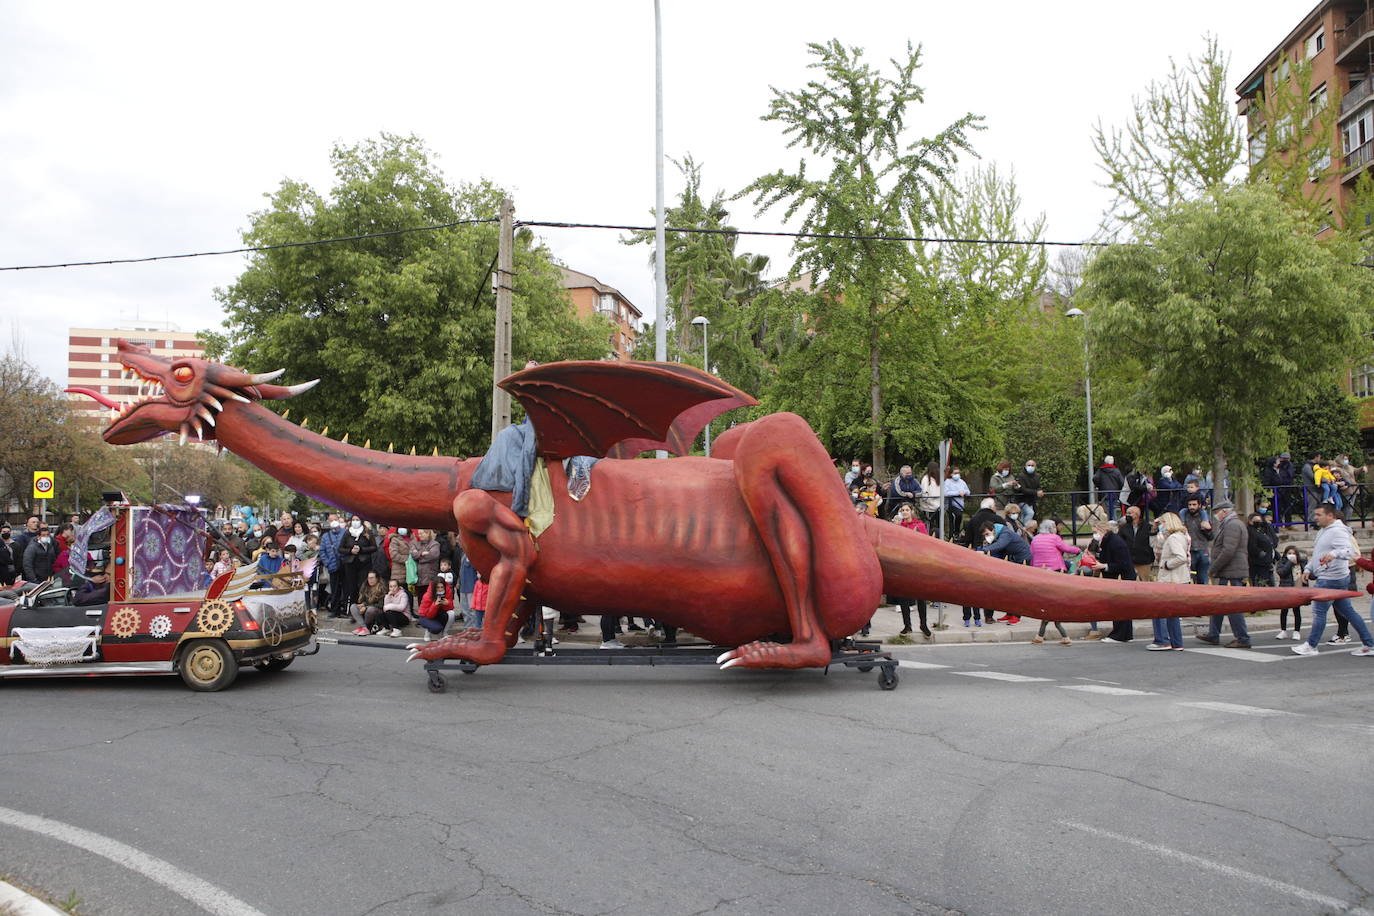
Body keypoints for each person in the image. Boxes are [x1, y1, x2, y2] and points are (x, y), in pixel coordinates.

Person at [1293, 503, 1374, 657]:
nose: (1315, 517)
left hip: (1331, 578)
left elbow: (1348, 551)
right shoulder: (1324, 531)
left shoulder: (1338, 531)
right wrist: (1309, 568)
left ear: (1330, 516)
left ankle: (1311, 645)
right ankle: (1369, 644)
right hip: (1331, 577)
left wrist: (1335, 554)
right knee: (1348, 612)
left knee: (1319, 612)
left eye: (1318, 515)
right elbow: (1319, 553)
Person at [1195, 501, 1252, 648]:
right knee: (1218, 603)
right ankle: (1213, 634)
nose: (1216, 515)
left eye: (1217, 512)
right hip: (1228, 571)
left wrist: (1213, 568)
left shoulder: (1232, 525)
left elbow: (1228, 550)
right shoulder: (1230, 524)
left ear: (1225, 512)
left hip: (1231, 571)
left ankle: (1242, 638)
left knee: (1233, 606)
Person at [887, 504, 931, 637]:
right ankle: (907, 626)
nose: (905, 512)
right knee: (903, 598)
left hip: (917, 564)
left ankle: (924, 625)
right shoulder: (899, 526)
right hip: (903, 564)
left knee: (921, 597)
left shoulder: (919, 525)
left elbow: (926, 543)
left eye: (907, 510)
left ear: (912, 512)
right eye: (902, 510)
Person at [1147, 512, 1189, 651]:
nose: (1161, 526)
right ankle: (1177, 642)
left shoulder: (1173, 538)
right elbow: (1154, 544)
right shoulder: (1178, 536)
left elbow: (1181, 557)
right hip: (1177, 579)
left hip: (1171, 579)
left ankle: (1162, 640)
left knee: (1159, 610)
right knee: (1173, 614)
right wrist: (1154, 529)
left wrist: (1167, 565)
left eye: (1163, 523)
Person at [1094, 520, 1136, 642]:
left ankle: (1120, 635)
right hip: (1118, 578)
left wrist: (1104, 566)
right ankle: (1124, 634)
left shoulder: (1116, 543)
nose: (1095, 535)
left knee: (1121, 607)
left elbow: (1122, 564)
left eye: (1096, 532)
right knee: (1120, 608)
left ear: (1103, 531)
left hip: (1123, 578)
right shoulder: (1106, 541)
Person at [338, 516, 376, 619]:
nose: (355, 522)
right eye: (353, 520)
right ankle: (353, 611)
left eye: (357, 520)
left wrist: (361, 549)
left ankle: (363, 608)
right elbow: (340, 548)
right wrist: (350, 551)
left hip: (364, 563)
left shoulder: (367, 533)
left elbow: (374, 547)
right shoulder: (347, 533)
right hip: (350, 563)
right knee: (352, 587)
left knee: (362, 586)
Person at [415, 561, 456, 640]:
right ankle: (428, 631)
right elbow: (429, 615)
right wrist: (435, 604)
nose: (440, 589)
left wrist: (447, 603)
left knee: (451, 613)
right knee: (436, 628)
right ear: (434, 588)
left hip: (438, 613)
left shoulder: (448, 590)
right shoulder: (428, 595)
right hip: (425, 616)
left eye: (441, 587)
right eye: (438, 587)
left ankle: (444, 633)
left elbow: (451, 607)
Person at [1275, 546, 1305, 640]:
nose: (1291, 555)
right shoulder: (1282, 562)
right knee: (1284, 610)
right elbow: (1282, 572)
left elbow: (1306, 572)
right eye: (1289, 553)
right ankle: (1283, 630)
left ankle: (1296, 631)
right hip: (1286, 588)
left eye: (1293, 553)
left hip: (1297, 588)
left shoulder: (1301, 562)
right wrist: (1290, 563)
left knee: (1296, 610)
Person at [1181, 496, 1213, 584]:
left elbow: (1211, 537)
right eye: (1190, 504)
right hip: (1188, 551)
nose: (1192, 507)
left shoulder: (1204, 518)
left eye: (1194, 504)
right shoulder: (1183, 516)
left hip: (1202, 550)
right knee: (1187, 579)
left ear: (1199, 505)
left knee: (1203, 579)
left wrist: (1208, 529)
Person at [1120, 506, 1155, 582]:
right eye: (1127, 513)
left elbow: (1152, 543)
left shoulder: (1147, 527)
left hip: (1143, 561)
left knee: (1145, 582)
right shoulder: (1123, 528)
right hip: (1129, 560)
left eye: (1129, 513)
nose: (1127, 515)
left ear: (1137, 515)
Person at [320, 516, 346, 618]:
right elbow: (322, 551)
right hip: (332, 566)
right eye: (331, 520)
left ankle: (344, 609)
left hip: (344, 565)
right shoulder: (326, 536)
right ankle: (335, 610)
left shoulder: (345, 533)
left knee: (345, 588)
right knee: (334, 589)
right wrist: (327, 563)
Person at [350, 571, 388, 636]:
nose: (370, 580)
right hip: (366, 609)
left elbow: (381, 604)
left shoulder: (383, 588)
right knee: (353, 606)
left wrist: (366, 607)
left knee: (370, 609)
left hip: (378, 610)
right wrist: (362, 605)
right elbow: (363, 601)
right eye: (369, 578)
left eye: (372, 578)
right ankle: (364, 627)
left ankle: (365, 627)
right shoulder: (365, 586)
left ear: (377, 578)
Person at [410, 529, 440, 602]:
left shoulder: (435, 544)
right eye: (419, 534)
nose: (419, 535)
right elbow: (413, 554)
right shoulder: (415, 543)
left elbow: (433, 555)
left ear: (427, 533)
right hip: (419, 578)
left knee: (430, 599)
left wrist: (418, 558)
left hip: (430, 576)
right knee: (420, 599)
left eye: (421, 534)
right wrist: (422, 554)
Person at [1247, 514, 1277, 587]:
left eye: (1260, 520)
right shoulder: (1250, 532)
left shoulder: (1260, 531)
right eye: (1257, 521)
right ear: (1250, 521)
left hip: (1267, 563)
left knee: (1270, 585)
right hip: (1259, 564)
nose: (1259, 522)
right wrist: (1261, 553)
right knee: (1262, 584)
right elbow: (1252, 546)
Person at [942, 466, 970, 537]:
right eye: (955, 473)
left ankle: (956, 533)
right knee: (956, 516)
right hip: (951, 505)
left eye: (958, 473)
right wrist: (958, 493)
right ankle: (951, 534)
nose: (957, 474)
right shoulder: (947, 482)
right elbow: (946, 493)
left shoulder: (962, 482)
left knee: (959, 518)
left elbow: (968, 491)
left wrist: (964, 492)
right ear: (951, 474)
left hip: (960, 505)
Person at [1016, 460, 1044, 524]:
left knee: (1027, 516)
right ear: (1025, 466)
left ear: (1035, 467)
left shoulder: (1037, 476)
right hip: (1022, 500)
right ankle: (1025, 529)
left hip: (1032, 501)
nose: (1030, 467)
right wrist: (1036, 492)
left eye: (1032, 465)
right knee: (1030, 513)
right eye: (1029, 465)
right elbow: (1023, 489)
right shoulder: (1021, 476)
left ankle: (1024, 530)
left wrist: (1040, 491)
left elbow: (1038, 486)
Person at [917, 461, 942, 528]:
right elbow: (924, 494)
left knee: (938, 526)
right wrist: (930, 503)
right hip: (928, 508)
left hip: (938, 507)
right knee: (929, 526)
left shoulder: (938, 479)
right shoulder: (926, 479)